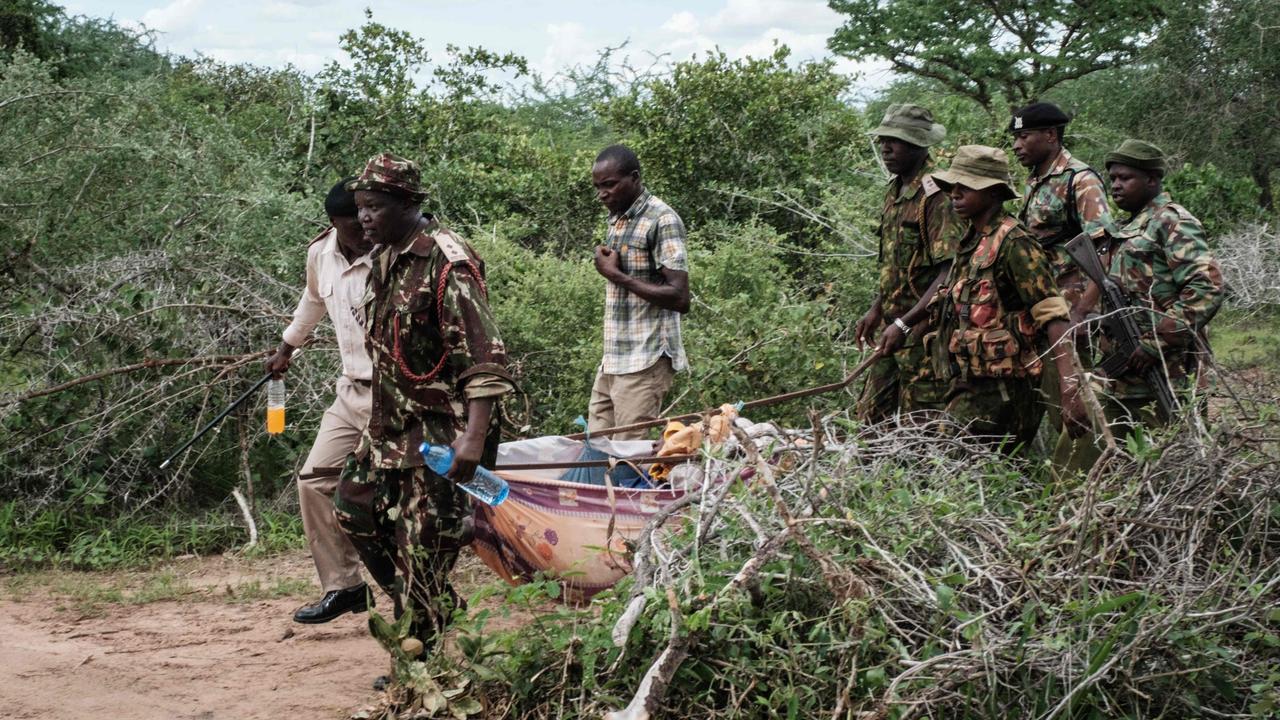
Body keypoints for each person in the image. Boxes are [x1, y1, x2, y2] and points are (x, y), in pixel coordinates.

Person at [333, 153, 514, 667]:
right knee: (353, 507)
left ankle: (416, 664)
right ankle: (429, 604)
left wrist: (474, 442)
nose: (364, 218)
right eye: (360, 208)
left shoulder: (447, 263)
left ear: (409, 204)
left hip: (441, 430)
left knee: (424, 550)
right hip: (391, 424)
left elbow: (485, 361)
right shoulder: (387, 255)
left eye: (374, 207)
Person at [881, 145, 1088, 447]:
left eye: (966, 188)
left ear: (993, 193)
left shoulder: (1015, 243)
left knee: (960, 467)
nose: (954, 194)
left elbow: (1053, 316)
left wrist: (1070, 386)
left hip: (1005, 390)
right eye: (952, 187)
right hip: (970, 383)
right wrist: (905, 328)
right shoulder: (970, 241)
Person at [1053, 139, 1225, 473]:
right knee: (1093, 459)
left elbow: (1206, 288)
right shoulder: (1128, 227)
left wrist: (1155, 343)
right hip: (1125, 374)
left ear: (1152, 179)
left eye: (1126, 178)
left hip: (1169, 373)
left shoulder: (1172, 221)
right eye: (1113, 178)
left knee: (1180, 467)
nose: (1115, 185)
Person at [265, 178, 374, 625]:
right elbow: (312, 301)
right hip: (352, 391)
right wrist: (286, 349)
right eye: (356, 220)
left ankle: (424, 594)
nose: (366, 227)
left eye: (371, 214)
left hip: (398, 395)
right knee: (314, 481)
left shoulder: (393, 254)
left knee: (381, 495)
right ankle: (344, 586)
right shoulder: (320, 254)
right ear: (335, 223)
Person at [855, 104, 965, 420]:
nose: (886, 148)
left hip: (923, 333)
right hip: (892, 328)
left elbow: (950, 271)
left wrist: (905, 323)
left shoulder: (938, 196)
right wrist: (877, 308)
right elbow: (895, 264)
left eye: (895, 141)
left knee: (922, 427)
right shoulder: (895, 189)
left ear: (918, 145)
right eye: (883, 140)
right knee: (869, 419)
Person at [587, 144, 690, 439]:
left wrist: (616, 275)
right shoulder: (618, 217)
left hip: (645, 360)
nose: (602, 194)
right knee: (596, 450)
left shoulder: (662, 219)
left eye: (609, 185)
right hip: (614, 357)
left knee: (627, 459)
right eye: (598, 187)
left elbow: (680, 297)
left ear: (634, 178)